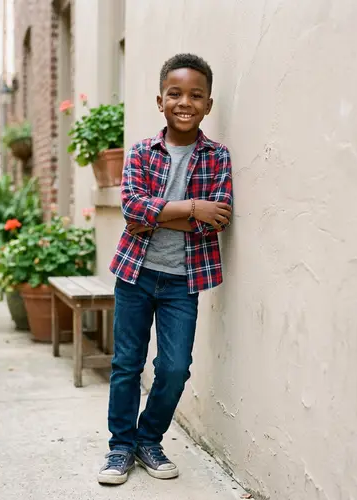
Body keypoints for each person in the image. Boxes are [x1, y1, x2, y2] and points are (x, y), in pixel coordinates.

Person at [99, 53, 233, 485]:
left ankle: (148, 438)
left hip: (182, 280)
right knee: (127, 363)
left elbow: (219, 216)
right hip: (136, 274)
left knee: (175, 367)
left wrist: (157, 214)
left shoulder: (217, 156)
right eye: (175, 94)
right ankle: (120, 447)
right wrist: (193, 207)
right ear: (161, 101)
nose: (184, 102)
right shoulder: (140, 152)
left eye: (196, 95)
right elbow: (131, 208)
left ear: (208, 105)